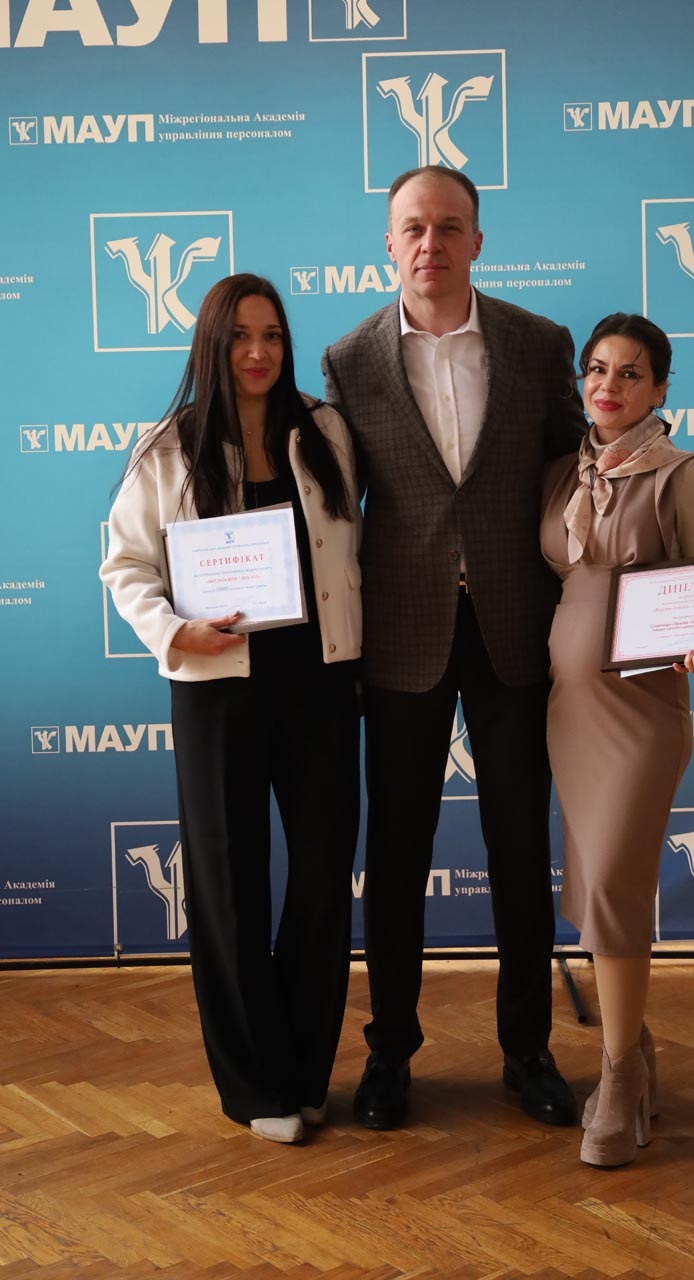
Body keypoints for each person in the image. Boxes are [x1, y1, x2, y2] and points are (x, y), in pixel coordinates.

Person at [322, 164, 587, 1131]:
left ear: (477, 239)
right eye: (412, 228)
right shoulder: (348, 361)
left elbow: (576, 473)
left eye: (448, 226)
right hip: (401, 636)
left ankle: (528, 1051)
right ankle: (389, 1052)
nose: (429, 244)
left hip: (517, 630)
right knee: (397, 854)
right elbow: (331, 505)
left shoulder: (538, 344)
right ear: (387, 245)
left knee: (519, 846)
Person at [101, 274, 362, 1144]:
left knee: (322, 876)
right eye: (241, 336)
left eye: (272, 335)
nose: (258, 352)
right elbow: (125, 566)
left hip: (320, 682)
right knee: (228, 883)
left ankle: (306, 1070)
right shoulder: (167, 448)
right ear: (212, 346)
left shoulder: (324, 430)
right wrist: (175, 630)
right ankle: (256, 1085)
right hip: (217, 686)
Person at [540, 312, 694, 1167]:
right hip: (569, 713)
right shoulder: (562, 472)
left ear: (658, 389)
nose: (607, 386)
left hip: (642, 713)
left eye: (629, 373)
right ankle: (632, 1049)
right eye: (596, 370)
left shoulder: (680, 473)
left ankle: (616, 1077)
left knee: (614, 883)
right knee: (593, 890)